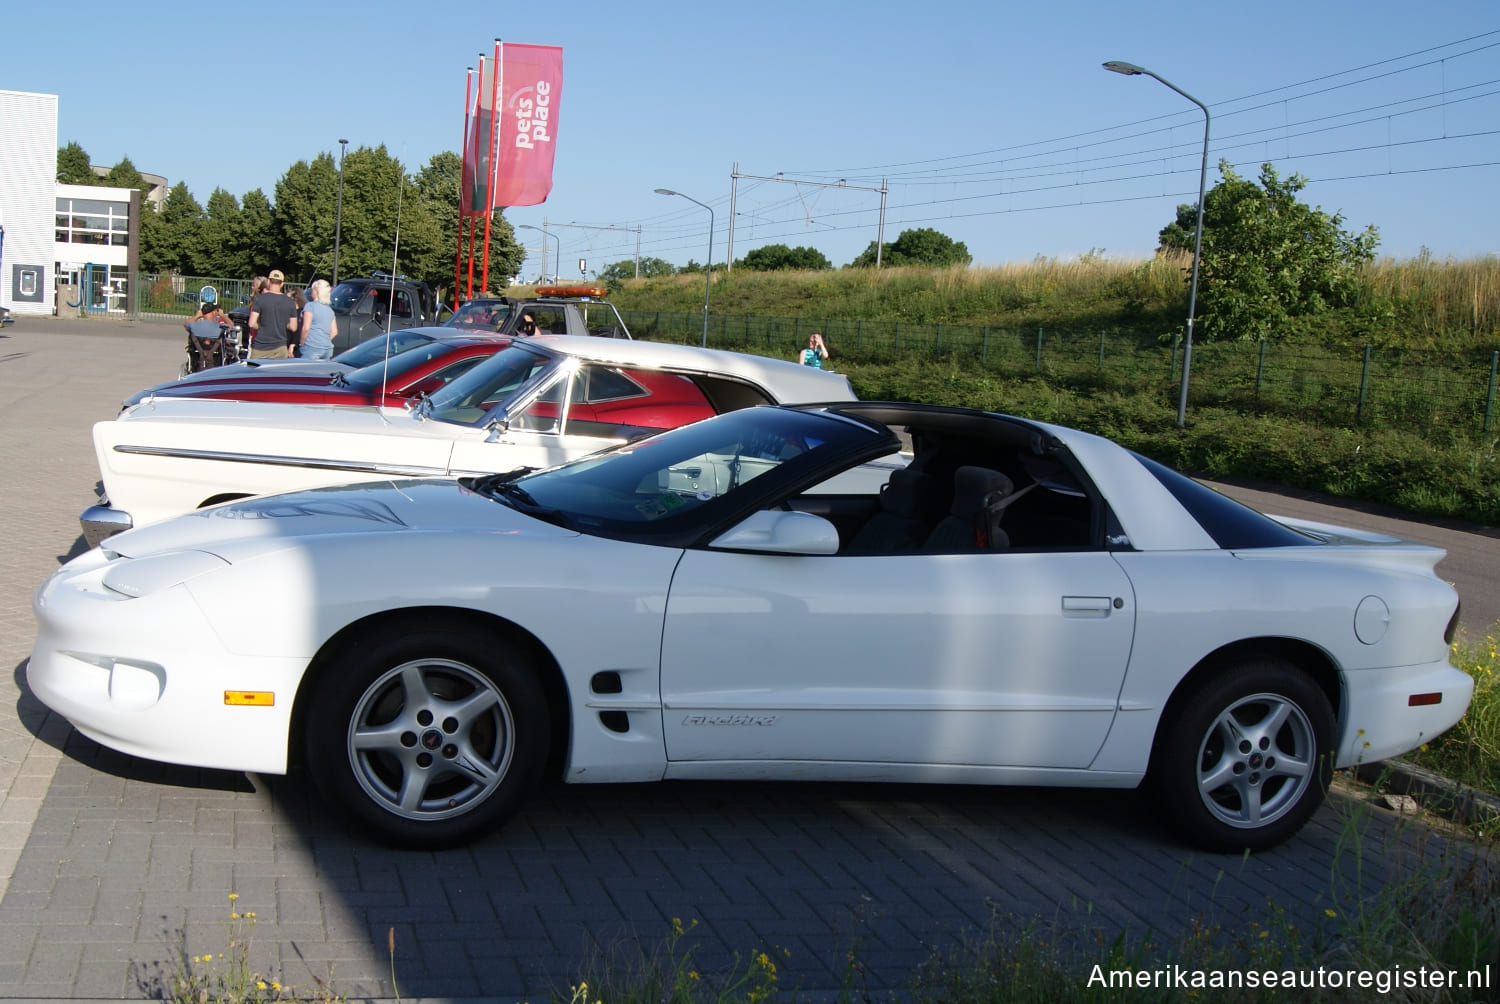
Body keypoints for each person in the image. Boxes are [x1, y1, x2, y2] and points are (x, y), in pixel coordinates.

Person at [248, 270, 298, 359]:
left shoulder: (260, 299)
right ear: (282, 284)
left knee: (255, 372)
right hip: (280, 347)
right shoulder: (290, 302)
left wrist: (261, 326)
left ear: (268, 281)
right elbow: (293, 327)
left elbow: (252, 323)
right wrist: (282, 324)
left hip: (261, 347)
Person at [298, 279, 338, 360]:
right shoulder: (330, 310)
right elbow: (334, 331)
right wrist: (324, 340)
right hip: (327, 348)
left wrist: (301, 343)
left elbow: (306, 328)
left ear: (316, 291)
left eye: (312, 290)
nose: (311, 292)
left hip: (311, 346)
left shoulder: (310, 306)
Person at [184, 301, 226, 370]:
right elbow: (231, 326)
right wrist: (222, 315)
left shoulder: (194, 325)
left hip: (196, 360)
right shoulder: (219, 328)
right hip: (215, 362)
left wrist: (197, 316)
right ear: (213, 312)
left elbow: (185, 324)